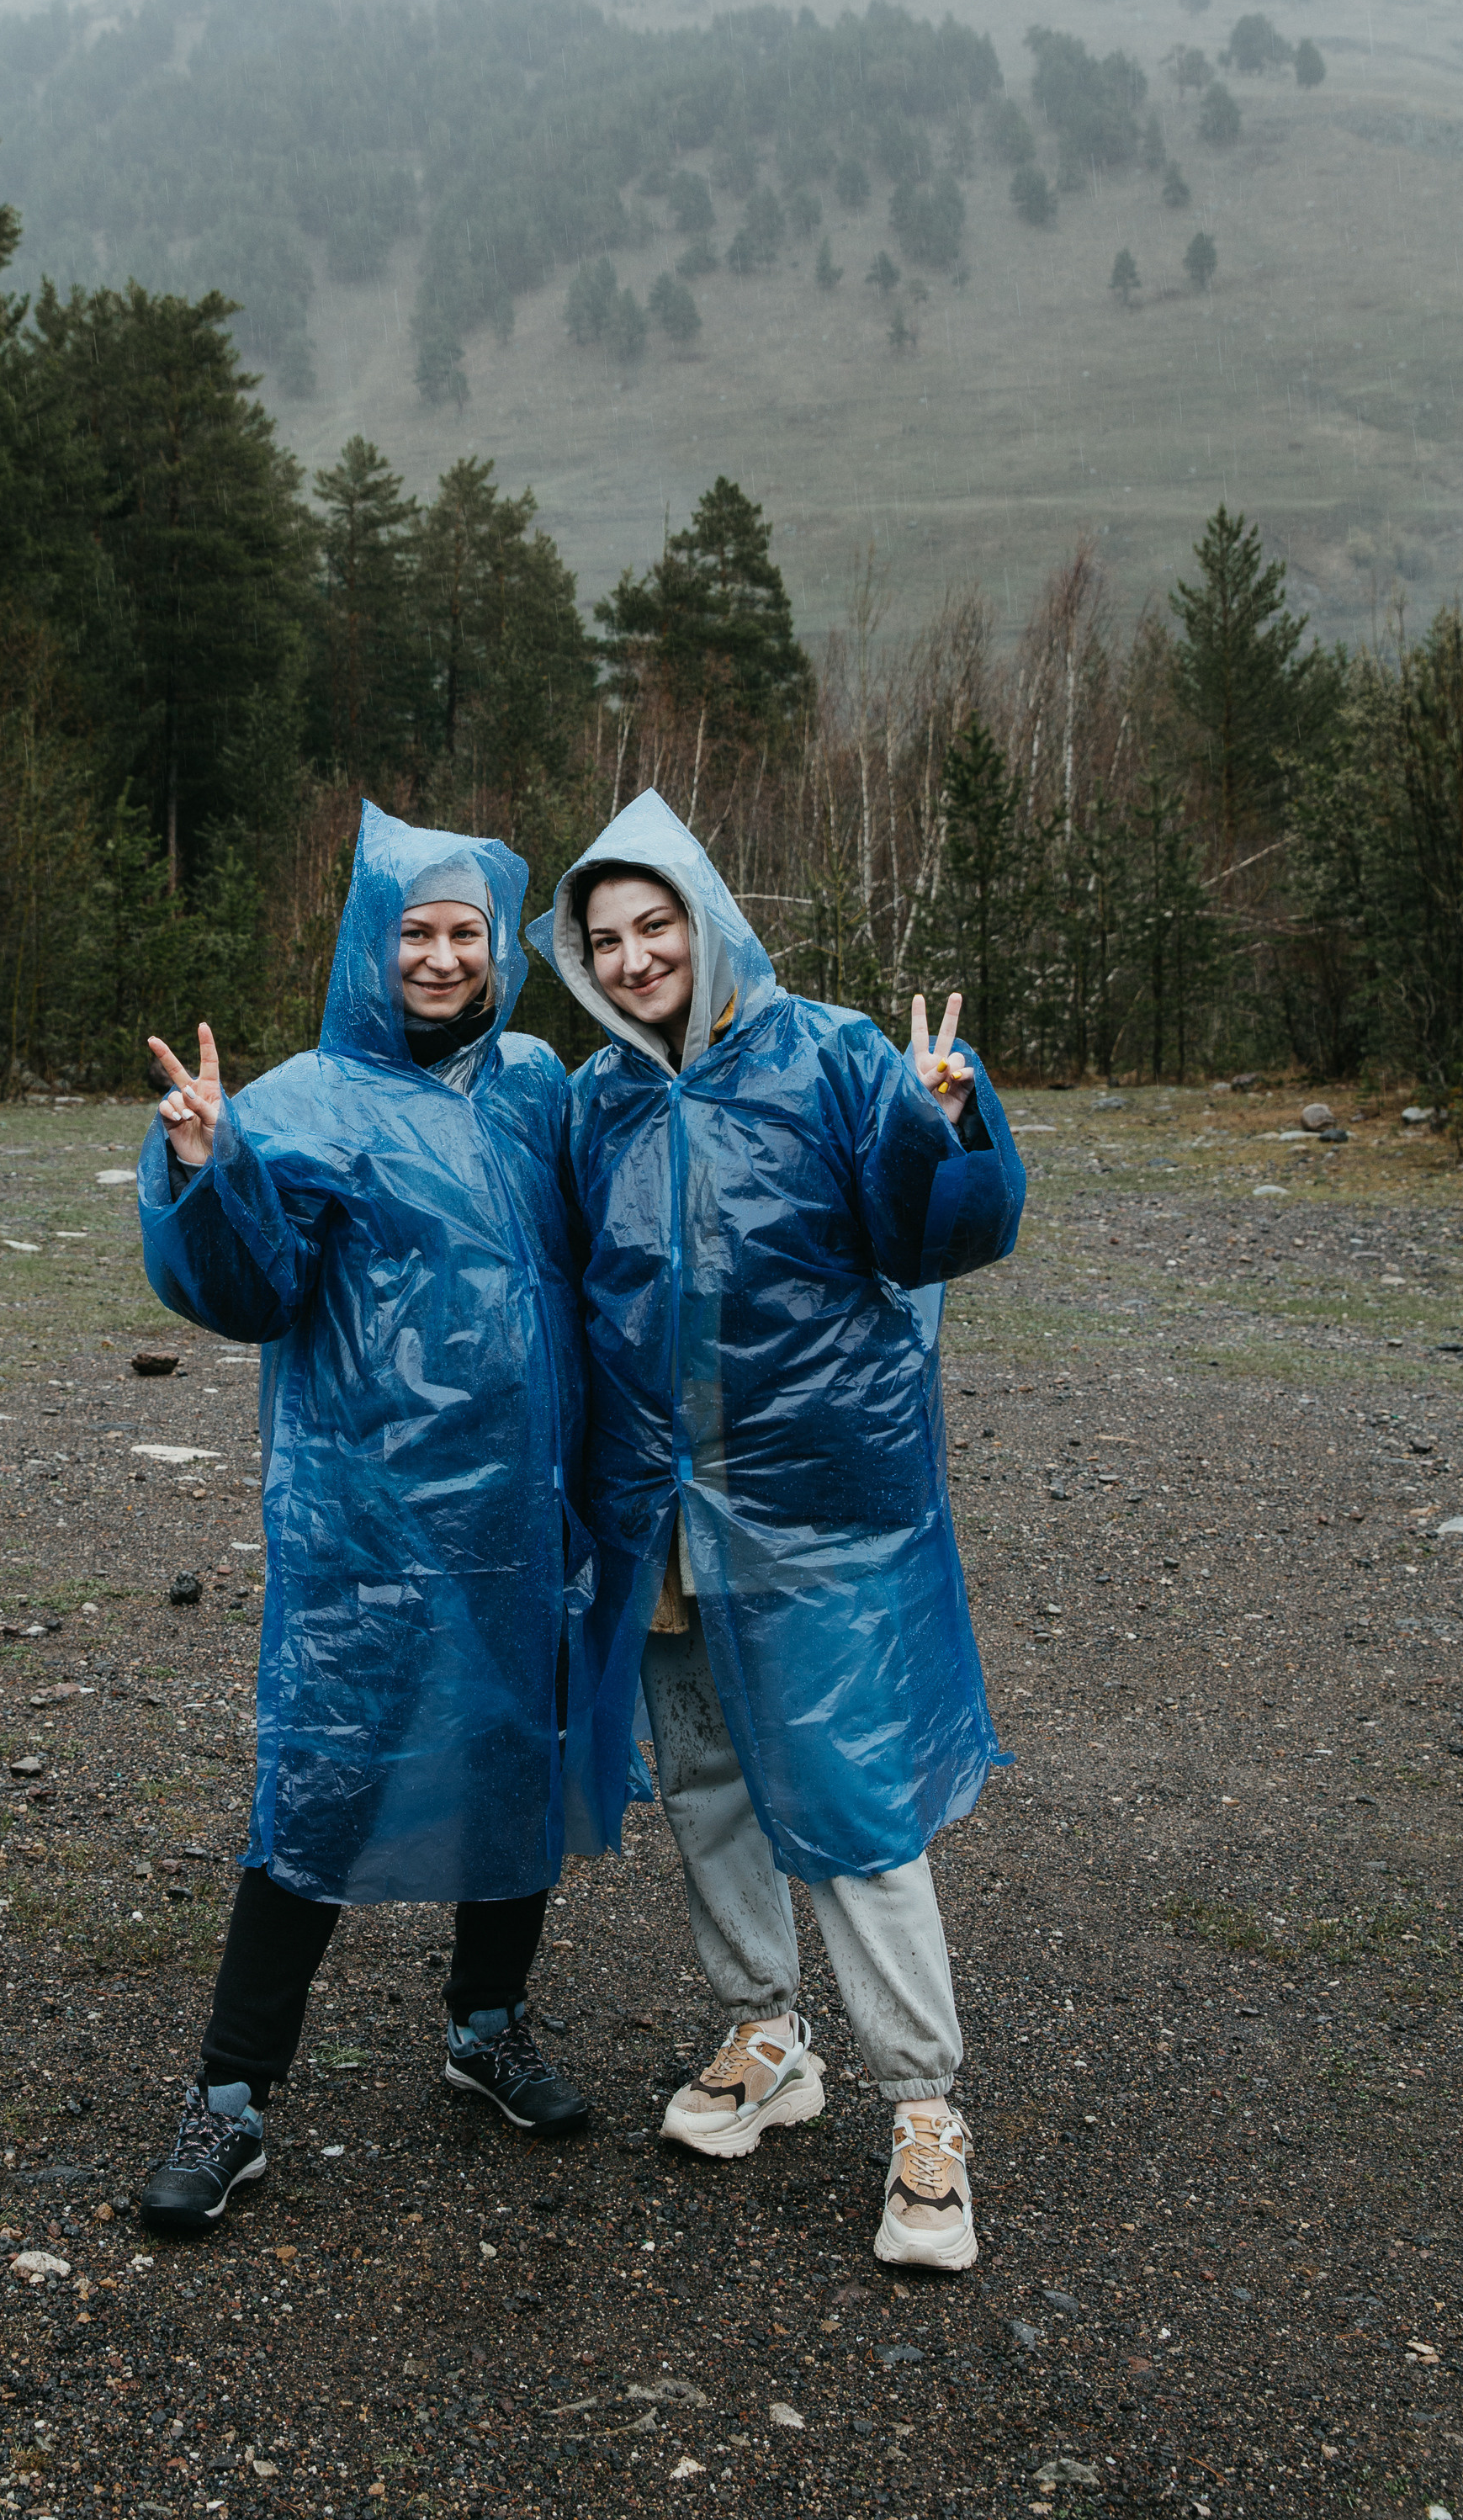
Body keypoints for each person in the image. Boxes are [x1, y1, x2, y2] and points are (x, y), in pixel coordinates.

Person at [532, 789, 1025, 2272]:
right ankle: (766, 2033)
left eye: (654, 925)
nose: (631, 960)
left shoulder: (835, 1056)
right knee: (704, 1779)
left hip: (812, 1506)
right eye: (604, 940)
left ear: (706, 916)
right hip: (662, 1510)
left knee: (854, 1803)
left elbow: (931, 1236)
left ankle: (926, 2112)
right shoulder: (596, 1099)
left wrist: (943, 1129)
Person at [132, 803, 596, 2236]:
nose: (444, 955)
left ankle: (487, 2027)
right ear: (370, 944)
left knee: (515, 1752)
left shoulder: (535, 1083)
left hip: (524, 1506)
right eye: (417, 932)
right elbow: (247, 1292)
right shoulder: (303, 1100)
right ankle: (230, 2100)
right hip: (368, 1518)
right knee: (324, 1777)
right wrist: (212, 1170)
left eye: (467, 931)